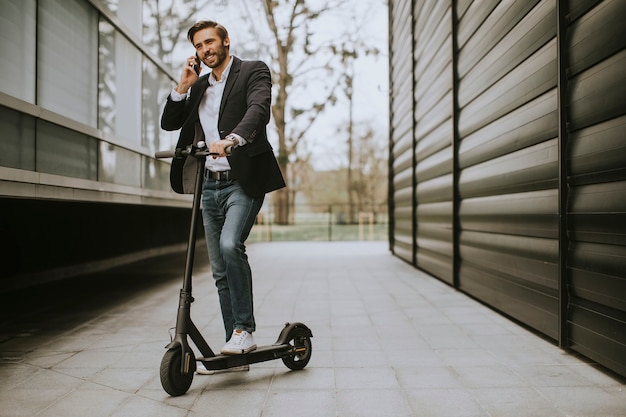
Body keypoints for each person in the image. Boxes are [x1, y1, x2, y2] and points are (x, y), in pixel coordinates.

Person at [161, 20, 285, 363]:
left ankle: (244, 329)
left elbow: (258, 112)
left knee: (231, 245)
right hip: (209, 186)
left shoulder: (252, 71)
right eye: (199, 46)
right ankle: (235, 342)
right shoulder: (197, 86)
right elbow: (170, 123)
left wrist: (231, 141)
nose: (205, 50)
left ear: (226, 41)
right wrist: (182, 86)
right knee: (218, 269)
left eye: (210, 42)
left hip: (242, 181)